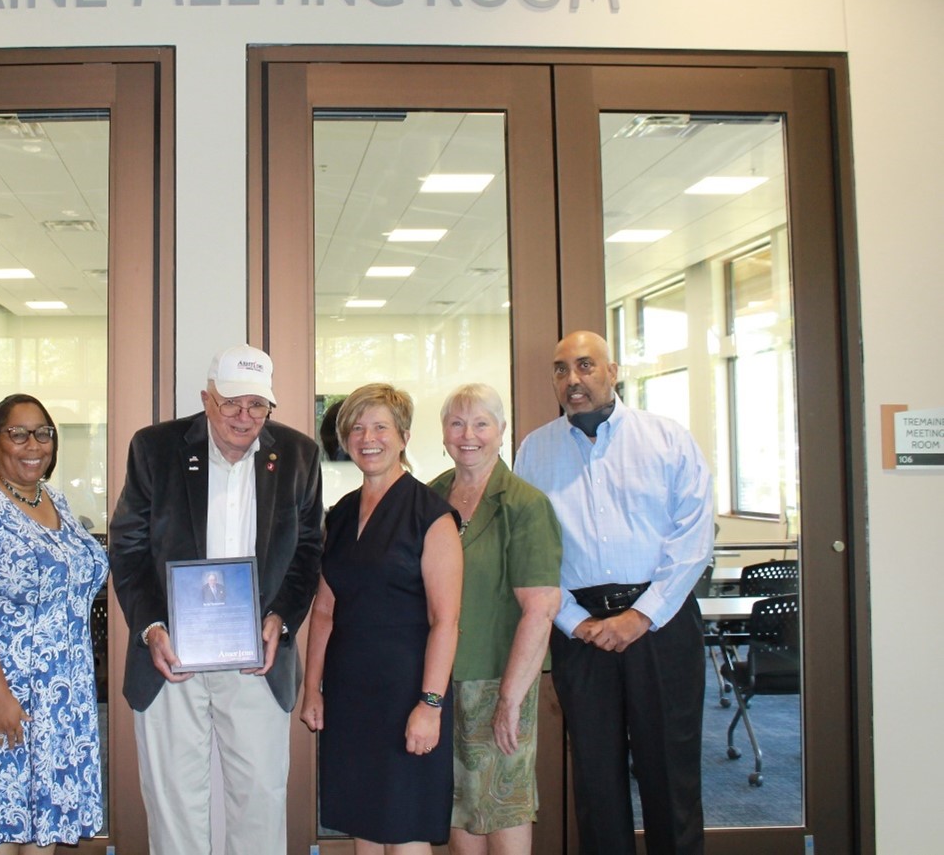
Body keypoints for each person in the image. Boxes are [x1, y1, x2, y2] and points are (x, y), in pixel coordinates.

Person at [109, 343, 324, 855]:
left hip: (257, 657)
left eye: (257, 405)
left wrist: (283, 619)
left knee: (260, 802)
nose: (243, 417)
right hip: (172, 656)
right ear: (207, 400)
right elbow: (128, 547)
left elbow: (309, 551)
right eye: (231, 403)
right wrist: (151, 628)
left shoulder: (298, 455)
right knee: (174, 805)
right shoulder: (154, 448)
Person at [513, 331, 714, 855]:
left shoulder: (667, 439)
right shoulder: (536, 450)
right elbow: (531, 550)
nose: (572, 380)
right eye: (561, 369)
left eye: (585, 365)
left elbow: (693, 539)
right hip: (580, 632)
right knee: (596, 781)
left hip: (662, 625)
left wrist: (640, 616)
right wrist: (574, 621)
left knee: (670, 773)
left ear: (613, 371)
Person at [0, 394, 109, 853]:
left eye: (43, 433)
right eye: (18, 434)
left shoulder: (53, 498)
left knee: (43, 829)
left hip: (60, 701)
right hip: (6, 697)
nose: (33, 444)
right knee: (4, 827)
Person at [300, 383, 463, 853]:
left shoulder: (432, 516)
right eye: (356, 427)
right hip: (351, 696)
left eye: (380, 427)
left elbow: (445, 620)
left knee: (405, 829)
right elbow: (325, 609)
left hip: (407, 694)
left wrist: (430, 706)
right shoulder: (342, 512)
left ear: (404, 437)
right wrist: (312, 689)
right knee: (364, 827)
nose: (366, 437)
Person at [426, 384, 562, 855]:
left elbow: (541, 607)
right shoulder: (430, 496)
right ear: (443, 432)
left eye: (481, 423)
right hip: (441, 679)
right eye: (457, 423)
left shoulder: (524, 505)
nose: (468, 435)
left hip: (499, 679)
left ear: (501, 431)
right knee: (459, 806)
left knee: (502, 808)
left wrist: (509, 698)